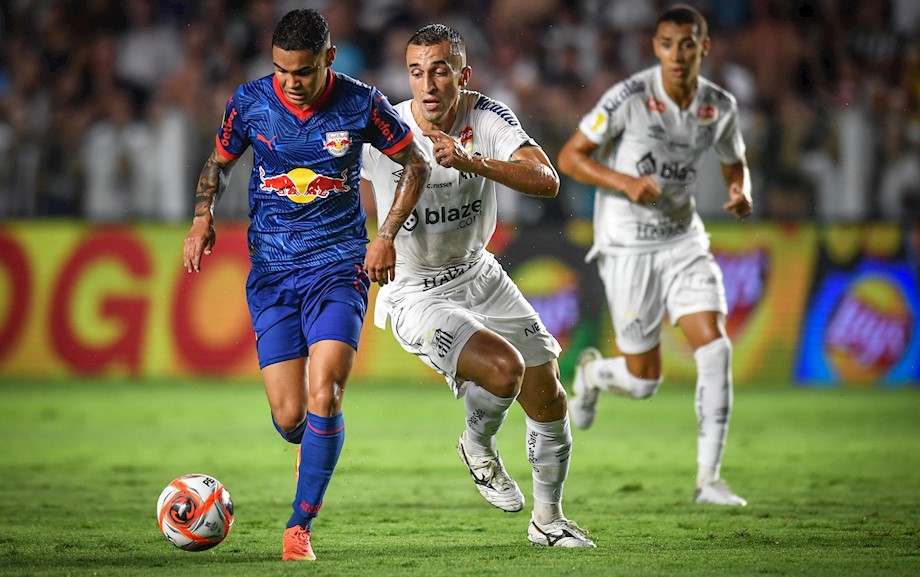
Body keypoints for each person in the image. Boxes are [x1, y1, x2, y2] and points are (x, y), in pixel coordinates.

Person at [182, 9, 430, 561]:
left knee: (328, 393)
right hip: (271, 275)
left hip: (339, 268)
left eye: (304, 72)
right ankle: (314, 440)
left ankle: (299, 528)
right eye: (282, 71)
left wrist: (385, 233)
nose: (291, 84)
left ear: (329, 59)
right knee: (292, 417)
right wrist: (203, 216)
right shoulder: (249, 102)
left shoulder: (362, 103)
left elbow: (415, 163)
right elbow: (217, 163)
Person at [361, 24, 595, 547]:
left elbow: (547, 179)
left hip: (479, 272)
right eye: (417, 72)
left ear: (463, 76)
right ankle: (476, 443)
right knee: (504, 369)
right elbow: (334, 182)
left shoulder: (487, 117)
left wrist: (471, 160)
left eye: (441, 70)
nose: (428, 84)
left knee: (548, 394)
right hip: (415, 290)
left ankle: (548, 521)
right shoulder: (385, 128)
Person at [557, 4, 752, 507]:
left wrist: (740, 191)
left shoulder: (719, 105)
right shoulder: (630, 96)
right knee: (644, 382)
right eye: (668, 44)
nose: (678, 54)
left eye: (688, 44)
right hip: (628, 245)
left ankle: (710, 480)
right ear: (656, 48)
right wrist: (623, 181)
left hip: (684, 240)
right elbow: (570, 157)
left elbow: (735, 162)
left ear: (703, 48)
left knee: (716, 350)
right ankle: (597, 374)